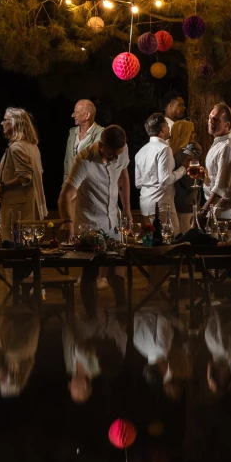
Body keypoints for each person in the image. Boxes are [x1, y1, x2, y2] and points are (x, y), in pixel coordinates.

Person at [58, 125, 132, 307]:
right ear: (101, 145)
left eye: (119, 154)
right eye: (112, 154)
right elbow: (66, 195)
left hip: (113, 219)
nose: (116, 158)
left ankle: (122, 311)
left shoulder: (121, 151)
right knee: (91, 271)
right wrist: (68, 222)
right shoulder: (84, 160)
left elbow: (123, 176)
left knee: (116, 270)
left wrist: (127, 209)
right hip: (90, 223)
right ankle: (91, 316)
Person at [0, 107, 48, 239]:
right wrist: (5, 165)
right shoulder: (31, 146)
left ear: (14, 123)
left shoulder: (16, 147)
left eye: (5, 120)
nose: (2, 123)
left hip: (18, 208)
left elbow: (25, 177)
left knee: (13, 244)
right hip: (28, 203)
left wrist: (1, 186)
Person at [134, 113, 183, 233]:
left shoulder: (141, 151)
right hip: (161, 203)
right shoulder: (164, 149)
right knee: (172, 236)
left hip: (145, 203)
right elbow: (165, 179)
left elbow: (138, 183)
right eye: (167, 126)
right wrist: (183, 169)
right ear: (163, 129)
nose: (169, 128)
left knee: (153, 238)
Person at [201, 102, 231, 221]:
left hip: (224, 213)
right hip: (215, 210)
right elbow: (216, 176)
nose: (211, 121)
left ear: (227, 125)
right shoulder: (218, 143)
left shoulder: (227, 148)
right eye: (210, 118)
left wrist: (203, 211)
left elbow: (221, 187)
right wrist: (203, 176)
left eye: (216, 119)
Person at [163, 95, 198, 233]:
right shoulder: (183, 153)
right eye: (192, 133)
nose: (195, 136)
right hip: (184, 201)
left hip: (177, 199)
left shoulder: (180, 151)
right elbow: (189, 182)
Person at [63, 99, 103, 186]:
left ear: (87, 115)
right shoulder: (72, 132)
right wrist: (65, 186)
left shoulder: (101, 134)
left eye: (76, 112)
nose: (73, 115)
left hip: (89, 188)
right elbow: (67, 162)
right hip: (72, 188)